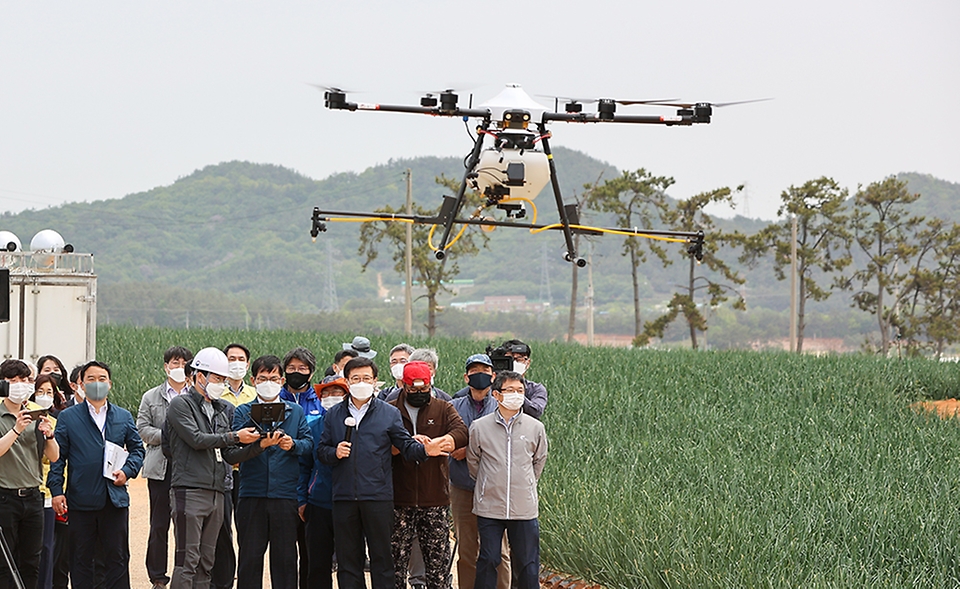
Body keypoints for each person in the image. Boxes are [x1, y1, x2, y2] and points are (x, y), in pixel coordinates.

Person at [318, 357, 449, 589]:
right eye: (356, 378)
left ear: (375, 381)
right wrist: (334, 452)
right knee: (349, 562)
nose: (361, 382)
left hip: (378, 497)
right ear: (347, 382)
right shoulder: (334, 415)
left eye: (366, 378)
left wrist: (425, 450)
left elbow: (405, 446)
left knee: (382, 559)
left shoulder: (388, 413)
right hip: (344, 497)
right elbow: (321, 451)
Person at [164, 348, 265, 589]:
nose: (222, 384)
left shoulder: (224, 409)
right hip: (189, 490)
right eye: (218, 378)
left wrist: (259, 445)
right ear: (200, 376)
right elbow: (197, 439)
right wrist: (234, 436)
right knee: (187, 560)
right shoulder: (180, 405)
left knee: (206, 561)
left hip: (218, 490)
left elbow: (230, 455)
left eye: (223, 379)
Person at [48, 360, 144, 589]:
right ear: (80, 384)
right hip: (81, 499)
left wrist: (128, 471)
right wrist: (56, 491)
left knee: (118, 558)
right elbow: (58, 458)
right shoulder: (69, 417)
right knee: (81, 559)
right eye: (90, 379)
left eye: (102, 379)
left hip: (115, 499)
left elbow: (138, 449)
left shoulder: (122, 416)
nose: (97, 383)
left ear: (110, 384)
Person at [233, 355, 312, 589]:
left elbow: (308, 444)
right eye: (263, 378)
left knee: (286, 559)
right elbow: (232, 453)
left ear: (282, 380)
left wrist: (293, 445)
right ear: (253, 380)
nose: (269, 382)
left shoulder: (295, 411)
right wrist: (259, 445)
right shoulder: (243, 412)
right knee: (249, 557)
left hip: (285, 495)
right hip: (251, 494)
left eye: (274, 378)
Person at [389, 361, 467, 589]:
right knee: (395, 565)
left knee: (438, 567)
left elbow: (461, 432)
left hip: (434, 498)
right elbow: (379, 440)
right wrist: (405, 445)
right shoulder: (391, 408)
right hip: (398, 499)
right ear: (404, 385)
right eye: (413, 390)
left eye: (423, 390)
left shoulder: (443, 408)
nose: (419, 394)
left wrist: (440, 443)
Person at [468, 371, 548, 589]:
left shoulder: (535, 428)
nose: (516, 395)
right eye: (510, 390)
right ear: (496, 395)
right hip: (489, 507)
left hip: (524, 507)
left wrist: (525, 485)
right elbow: (473, 462)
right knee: (489, 559)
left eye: (520, 391)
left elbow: (538, 462)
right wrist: (488, 483)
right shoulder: (480, 426)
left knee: (527, 564)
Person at [449, 355, 511, 589]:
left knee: (499, 550)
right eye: (473, 371)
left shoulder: (502, 406)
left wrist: (470, 450)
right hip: (462, 486)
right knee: (466, 549)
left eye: (484, 370)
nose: (479, 374)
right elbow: (448, 439)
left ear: (493, 376)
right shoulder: (454, 406)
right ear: (466, 377)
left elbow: (506, 445)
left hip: (495, 488)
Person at [137, 346, 193, 589]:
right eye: (174, 362)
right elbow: (142, 429)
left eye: (184, 363)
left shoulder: (196, 395)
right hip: (160, 468)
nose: (179, 367)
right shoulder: (151, 397)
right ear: (165, 366)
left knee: (186, 524)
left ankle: (184, 574)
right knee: (159, 524)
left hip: (189, 468)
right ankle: (158, 576)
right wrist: (169, 435)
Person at [0, 360, 59, 589]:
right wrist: (16, 429)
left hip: (34, 497)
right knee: (5, 563)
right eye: (13, 381)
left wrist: (49, 435)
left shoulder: (37, 413)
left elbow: (53, 457)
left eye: (24, 380)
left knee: (32, 561)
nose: (20, 385)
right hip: (5, 497)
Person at [278, 347, 321, 586]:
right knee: (284, 553)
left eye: (302, 369)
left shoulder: (321, 401)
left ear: (311, 373)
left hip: (313, 486)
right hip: (282, 485)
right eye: (292, 369)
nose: (297, 373)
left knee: (310, 552)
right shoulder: (275, 400)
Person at [298, 377, 346, 589]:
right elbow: (303, 465)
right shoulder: (311, 426)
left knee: (349, 564)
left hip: (350, 503)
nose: (331, 397)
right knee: (317, 564)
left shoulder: (356, 424)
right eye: (326, 393)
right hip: (318, 502)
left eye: (337, 392)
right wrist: (301, 498)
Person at [214, 343, 256, 589]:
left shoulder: (254, 394)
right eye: (231, 358)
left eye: (241, 358)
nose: (236, 363)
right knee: (222, 528)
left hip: (249, 471)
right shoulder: (216, 392)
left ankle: (244, 574)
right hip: (223, 471)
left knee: (247, 529)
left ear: (248, 364)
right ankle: (224, 577)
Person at [31, 374, 61, 589]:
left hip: (47, 494)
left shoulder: (54, 423)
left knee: (47, 548)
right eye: (40, 391)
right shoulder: (18, 419)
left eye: (49, 392)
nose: (44, 396)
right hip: (23, 490)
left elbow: (56, 459)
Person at [499, 340, 547, 420]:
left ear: (527, 363)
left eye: (519, 359)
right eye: (510, 359)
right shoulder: (491, 386)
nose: (514, 363)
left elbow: (536, 411)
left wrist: (514, 392)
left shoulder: (536, 389)